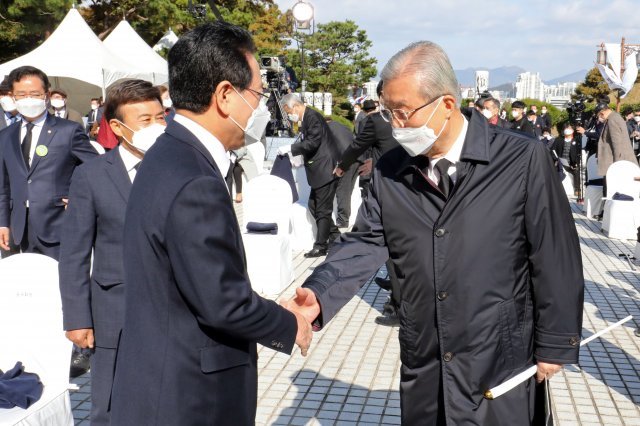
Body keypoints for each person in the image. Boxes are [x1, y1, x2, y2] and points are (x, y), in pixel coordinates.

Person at [283, 41, 584, 425]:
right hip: (425, 353)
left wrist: (556, 343)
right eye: (388, 113)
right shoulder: (392, 169)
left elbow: (554, 254)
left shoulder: (521, 160)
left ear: (445, 105)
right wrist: (319, 295)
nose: (395, 125)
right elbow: (364, 240)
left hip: (499, 357)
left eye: (403, 113)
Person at [109, 22, 311, 426]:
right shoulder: (195, 178)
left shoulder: (168, 155)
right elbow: (223, 302)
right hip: (191, 398)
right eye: (256, 95)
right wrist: (290, 324)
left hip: (160, 379)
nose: (259, 109)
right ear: (224, 95)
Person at [58, 79, 166, 426]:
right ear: (118, 127)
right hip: (113, 308)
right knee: (108, 404)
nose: (157, 126)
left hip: (171, 307)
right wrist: (77, 317)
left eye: (160, 117)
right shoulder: (91, 176)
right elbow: (74, 253)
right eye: (145, 120)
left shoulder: (178, 170)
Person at [0, 66, 98, 260]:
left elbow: (96, 168)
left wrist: (78, 195)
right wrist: (3, 222)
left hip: (57, 224)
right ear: (12, 96)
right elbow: (3, 184)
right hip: (17, 226)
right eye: (21, 94)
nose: (28, 99)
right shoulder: (5, 136)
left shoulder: (68, 131)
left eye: (35, 93)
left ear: (46, 94)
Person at [278, 93, 342, 258]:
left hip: (325, 168)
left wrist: (291, 148)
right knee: (315, 207)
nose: (290, 116)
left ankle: (321, 246)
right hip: (321, 169)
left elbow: (313, 142)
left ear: (296, 106)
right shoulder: (307, 118)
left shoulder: (312, 117)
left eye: (289, 112)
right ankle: (336, 238)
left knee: (322, 209)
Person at [325, 116, 356, 228]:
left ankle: (343, 220)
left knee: (343, 190)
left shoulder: (327, 127)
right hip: (358, 157)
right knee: (348, 190)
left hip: (346, 160)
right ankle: (345, 217)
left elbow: (328, 147)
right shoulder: (343, 126)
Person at [595, 100, 637, 179]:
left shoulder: (612, 120)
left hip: (616, 164)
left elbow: (617, 144)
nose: (599, 118)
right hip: (620, 161)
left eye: (598, 116)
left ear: (602, 113)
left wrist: (617, 166)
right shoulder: (615, 117)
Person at [551, 124, 581, 195]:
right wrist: (556, 159)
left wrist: (576, 162)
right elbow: (552, 150)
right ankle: (556, 189)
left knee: (576, 170)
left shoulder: (576, 140)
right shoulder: (558, 140)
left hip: (572, 163)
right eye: (566, 128)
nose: (567, 129)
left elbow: (578, 153)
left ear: (572, 130)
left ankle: (577, 189)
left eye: (569, 128)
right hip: (561, 163)